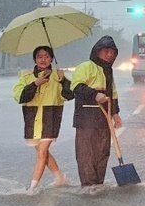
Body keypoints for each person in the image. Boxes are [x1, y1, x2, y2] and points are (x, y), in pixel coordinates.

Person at [11, 44, 71, 191]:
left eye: (46, 56)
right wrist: (35, 84)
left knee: (42, 152)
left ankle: (32, 187)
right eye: (39, 57)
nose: (43, 59)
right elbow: (20, 96)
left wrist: (63, 81)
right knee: (41, 152)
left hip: (50, 118)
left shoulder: (58, 76)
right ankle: (60, 177)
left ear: (51, 58)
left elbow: (70, 95)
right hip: (32, 120)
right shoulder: (26, 77)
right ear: (35, 59)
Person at [70, 35, 122, 187]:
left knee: (102, 153)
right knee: (86, 154)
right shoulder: (86, 67)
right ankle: (88, 185)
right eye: (106, 51)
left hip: (104, 119)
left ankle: (98, 184)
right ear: (97, 51)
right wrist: (94, 95)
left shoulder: (109, 71)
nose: (109, 55)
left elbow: (113, 93)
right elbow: (76, 87)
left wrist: (115, 113)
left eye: (112, 52)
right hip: (86, 118)